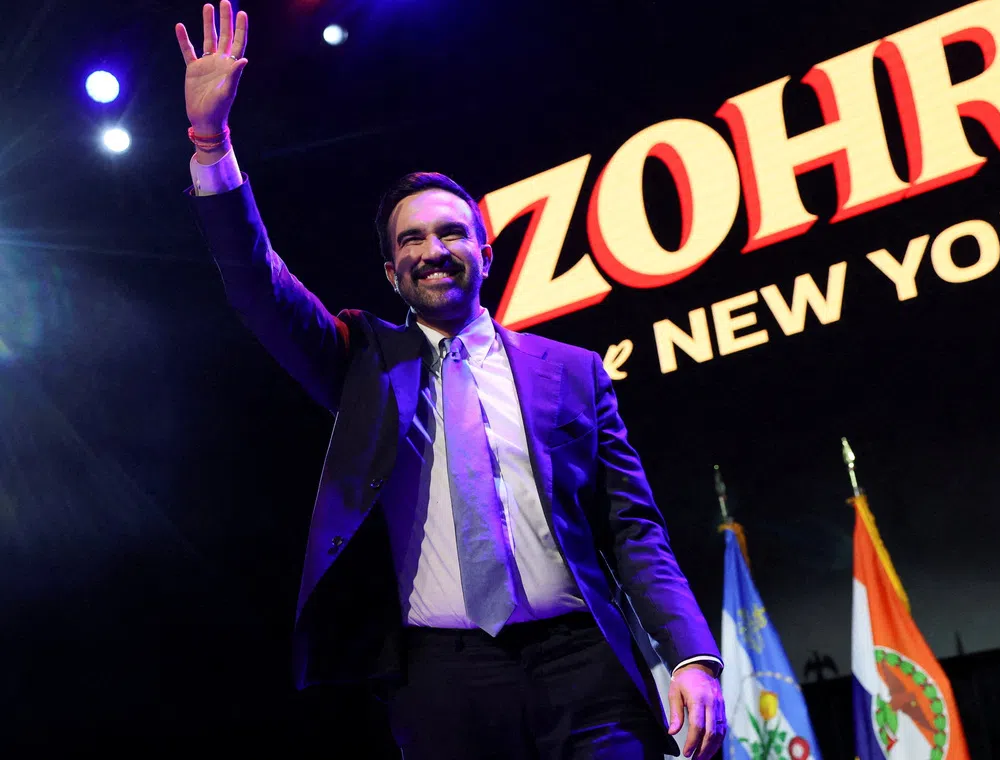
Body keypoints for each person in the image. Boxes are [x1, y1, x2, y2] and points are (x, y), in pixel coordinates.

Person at [176, 3, 726, 758]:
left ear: (485, 253)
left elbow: (633, 529)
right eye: (411, 239)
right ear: (391, 271)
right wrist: (212, 145)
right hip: (443, 680)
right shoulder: (362, 360)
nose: (432, 250)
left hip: (585, 669)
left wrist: (691, 656)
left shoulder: (574, 371)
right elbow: (257, 287)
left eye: (451, 232)